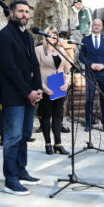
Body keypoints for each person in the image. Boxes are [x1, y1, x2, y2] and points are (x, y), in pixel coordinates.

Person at [0, 0, 44, 195]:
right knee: (12, 138)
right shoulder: (4, 36)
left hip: (29, 95)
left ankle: (21, 171)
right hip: (14, 95)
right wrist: (28, 91)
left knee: (24, 135)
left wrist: (38, 88)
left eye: (27, 12)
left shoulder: (29, 37)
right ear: (12, 14)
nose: (24, 15)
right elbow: (9, 69)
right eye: (20, 11)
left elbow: (35, 65)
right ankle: (10, 179)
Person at [36, 27, 72, 155]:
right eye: (50, 35)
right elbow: (35, 73)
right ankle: (48, 144)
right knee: (46, 116)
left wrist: (67, 83)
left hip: (59, 87)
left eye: (55, 35)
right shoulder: (39, 50)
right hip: (46, 87)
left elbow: (67, 71)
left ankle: (58, 144)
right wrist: (45, 88)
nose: (53, 37)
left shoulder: (61, 50)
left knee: (58, 115)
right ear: (45, 36)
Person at [81, 18, 104, 131]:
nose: (96, 26)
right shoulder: (85, 40)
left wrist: (103, 65)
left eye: (98, 25)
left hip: (103, 73)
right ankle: (89, 122)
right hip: (90, 73)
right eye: (94, 24)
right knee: (89, 98)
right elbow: (81, 56)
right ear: (92, 26)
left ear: (102, 27)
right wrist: (91, 64)